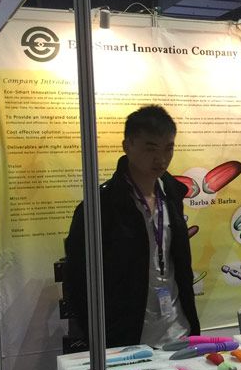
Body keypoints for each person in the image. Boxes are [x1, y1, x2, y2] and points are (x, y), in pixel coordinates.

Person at [65, 105, 200, 348]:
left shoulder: (172, 195)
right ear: (127, 146)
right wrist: (101, 338)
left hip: (179, 330)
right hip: (127, 341)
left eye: (168, 148)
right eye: (151, 148)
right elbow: (78, 280)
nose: (161, 159)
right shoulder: (100, 206)